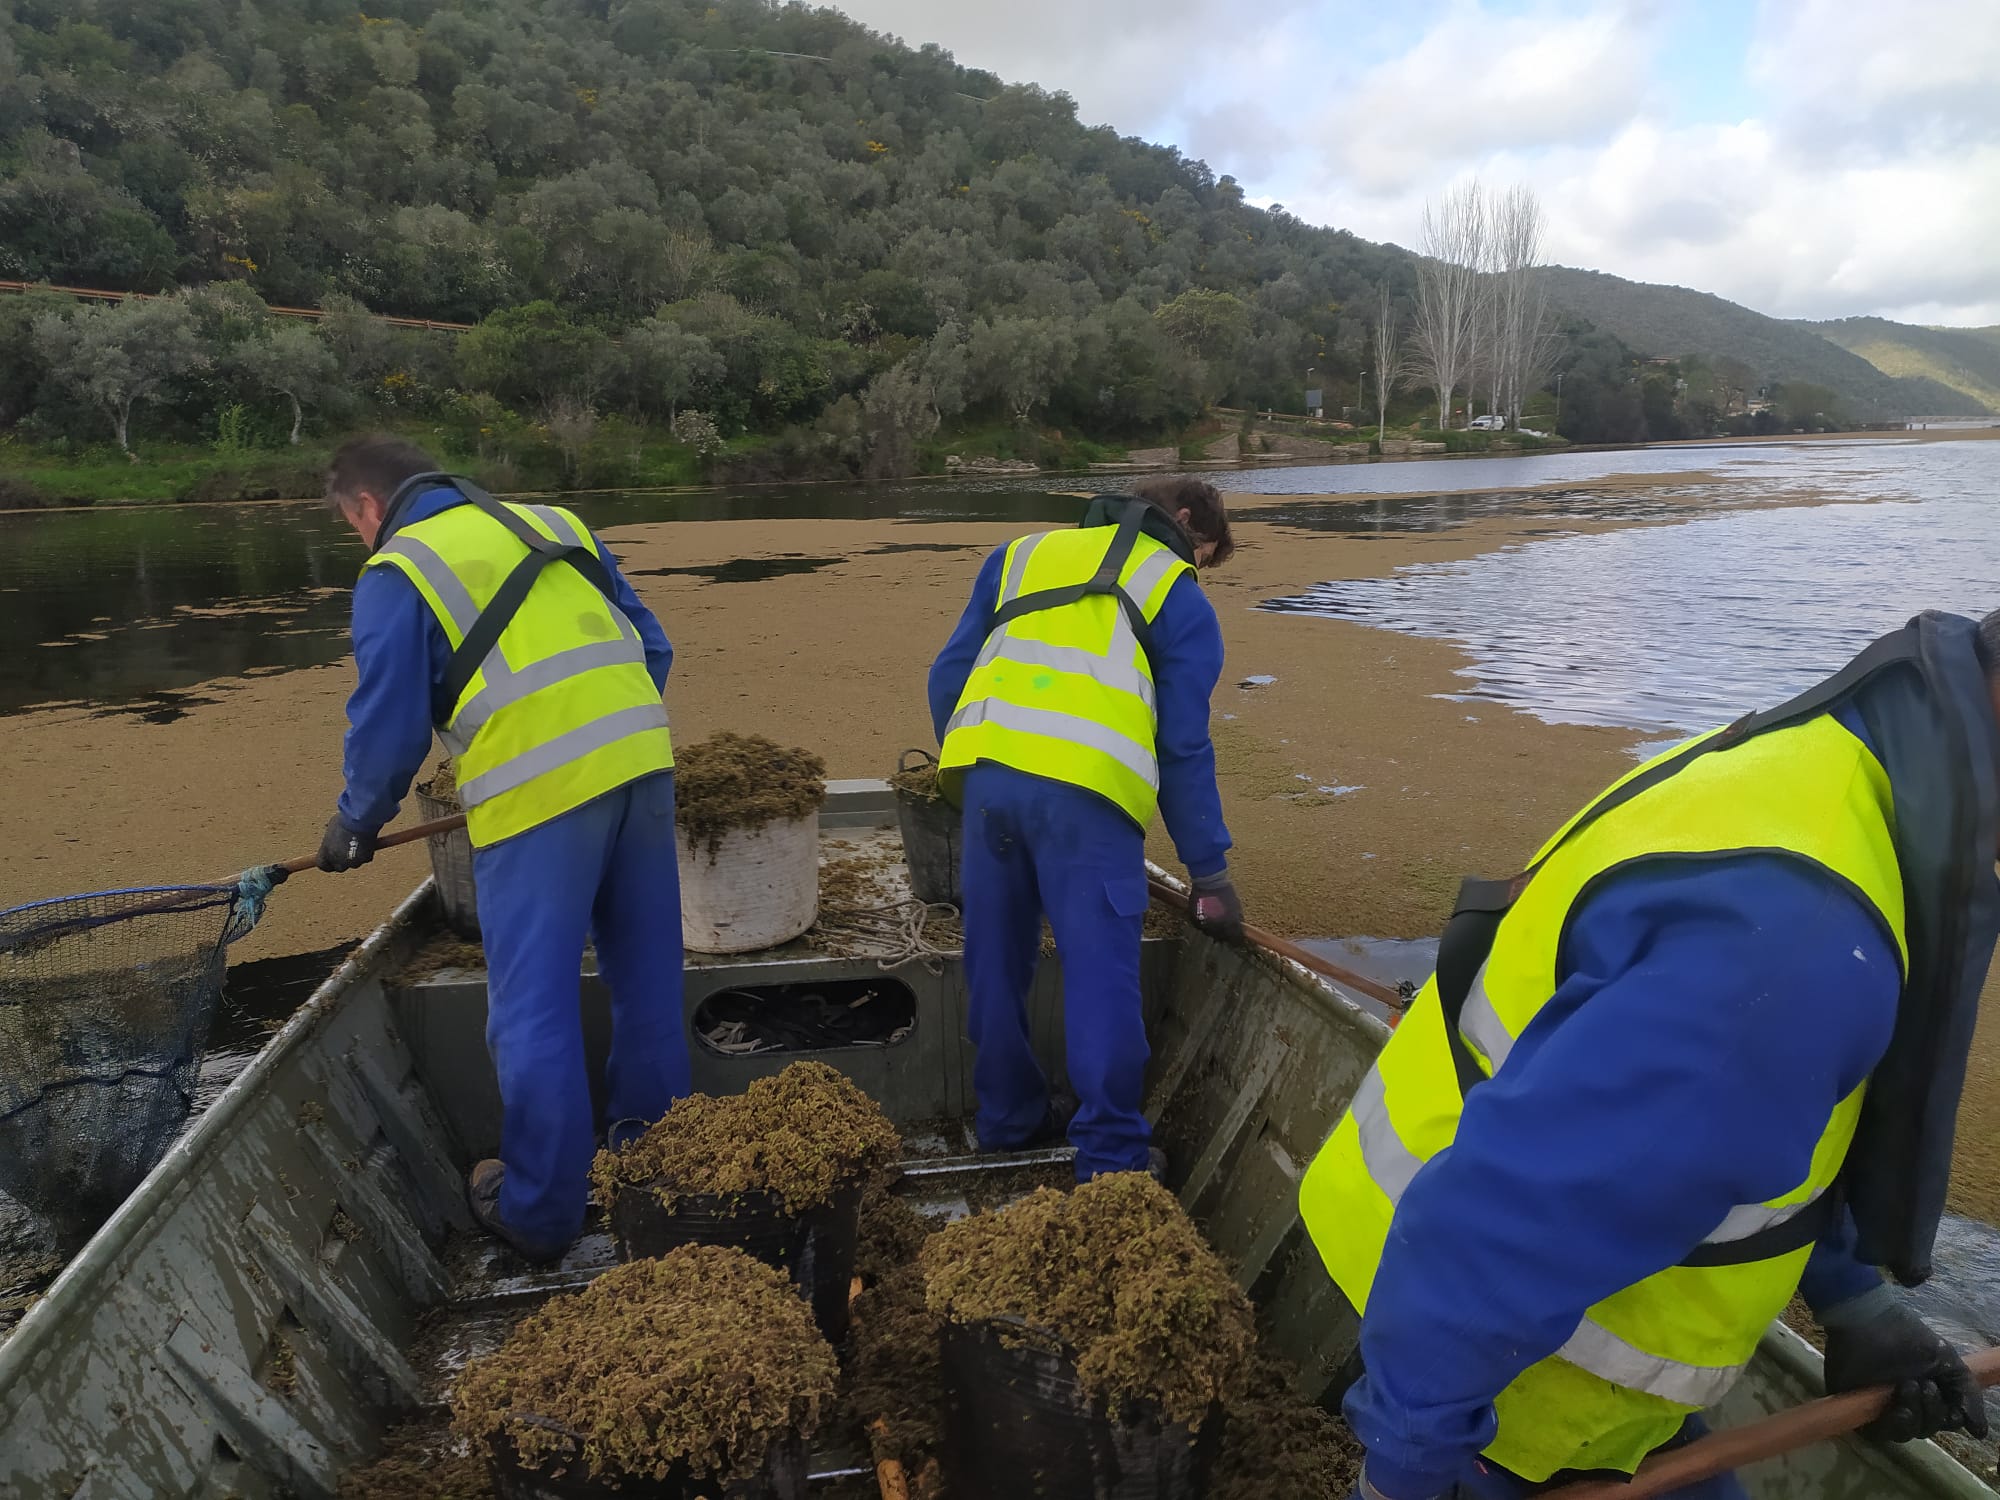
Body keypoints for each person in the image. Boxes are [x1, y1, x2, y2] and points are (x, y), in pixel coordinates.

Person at [1300, 609, 2000, 1499]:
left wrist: (1854, 1299)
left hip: (1539, 1308)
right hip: (1495, 1370)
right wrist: (1402, 1475)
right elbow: (1497, 1231)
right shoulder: (1792, 953)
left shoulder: (1830, 761)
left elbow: (1766, 1122)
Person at [317, 435, 689, 1262]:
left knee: (532, 1011)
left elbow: (387, 727)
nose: (360, 538)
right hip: (642, 764)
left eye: (352, 524)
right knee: (649, 982)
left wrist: (356, 821)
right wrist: (599, 743)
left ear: (368, 508)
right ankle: (659, 1180)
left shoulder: (399, 570)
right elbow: (651, 648)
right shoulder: (557, 523)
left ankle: (543, 1211)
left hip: (538, 803)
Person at [927, 476, 1243, 1180]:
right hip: (1088, 798)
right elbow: (1183, 745)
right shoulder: (1177, 594)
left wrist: (974, 771)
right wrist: (1209, 872)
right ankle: (1110, 1157)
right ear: (1183, 520)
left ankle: (1007, 1122)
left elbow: (948, 676)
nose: (1197, 570)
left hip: (988, 781)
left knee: (995, 961)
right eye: (1202, 553)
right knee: (1101, 973)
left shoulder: (1021, 554)